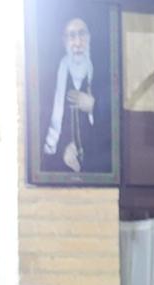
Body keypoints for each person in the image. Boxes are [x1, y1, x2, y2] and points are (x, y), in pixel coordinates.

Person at [40, 16, 110, 175]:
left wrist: (94, 107)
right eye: (72, 36)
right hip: (60, 164)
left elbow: (113, 127)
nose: (78, 43)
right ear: (64, 41)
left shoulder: (102, 75)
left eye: (82, 34)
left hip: (95, 162)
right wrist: (63, 149)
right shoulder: (51, 78)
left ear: (89, 38)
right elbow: (43, 125)